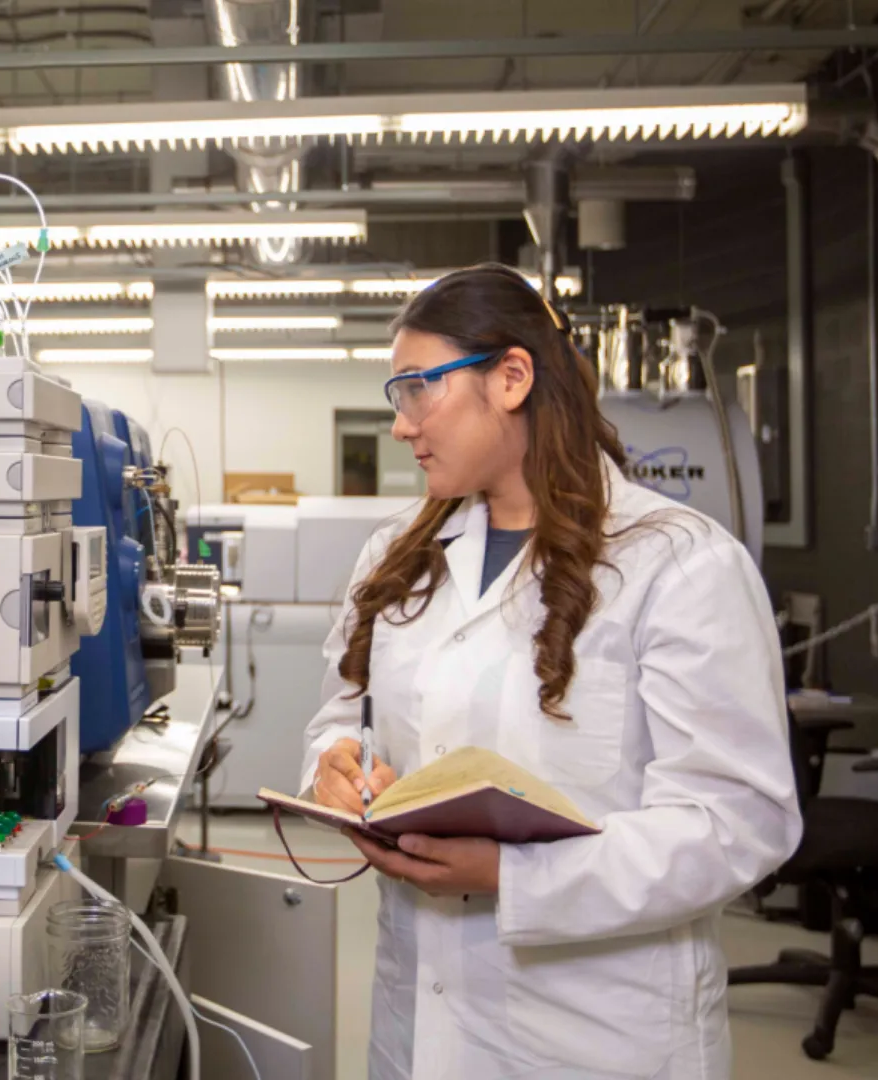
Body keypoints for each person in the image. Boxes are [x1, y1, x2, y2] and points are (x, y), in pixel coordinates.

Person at [301, 264, 801, 1080]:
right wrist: (334, 765)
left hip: (598, 1034)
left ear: (511, 376)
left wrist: (516, 875)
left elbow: (737, 821)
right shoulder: (397, 557)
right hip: (418, 1019)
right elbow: (342, 715)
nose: (401, 425)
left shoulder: (677, 563)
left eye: (417, 388)